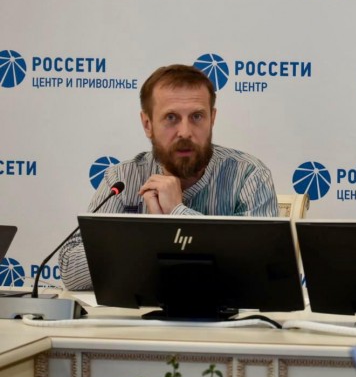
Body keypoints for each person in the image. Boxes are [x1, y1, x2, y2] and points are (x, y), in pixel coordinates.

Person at [59, 64, 278, 290]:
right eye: (171, 117)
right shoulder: (122, 178)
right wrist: (149, 232)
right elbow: (71, 274)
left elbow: (261, 271)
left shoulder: (249, 175)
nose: (185, 132)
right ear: (148, 124)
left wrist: (177, 213)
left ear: (212, 119)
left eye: (197, 116)